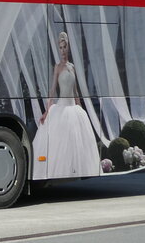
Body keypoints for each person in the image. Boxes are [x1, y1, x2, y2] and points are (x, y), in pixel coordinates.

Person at [33, 31, 100, 177]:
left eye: (65, 47)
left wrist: (81, 110)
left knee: (75, 144)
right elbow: (52, 90)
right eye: (60, 48)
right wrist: (46, 111)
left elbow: (76, 92)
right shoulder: (57, 67)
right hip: (61, 109)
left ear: (68, 47)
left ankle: (74, 171)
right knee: (61, 145)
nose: (63, 50)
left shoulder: (72, 66)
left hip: (73, 109)